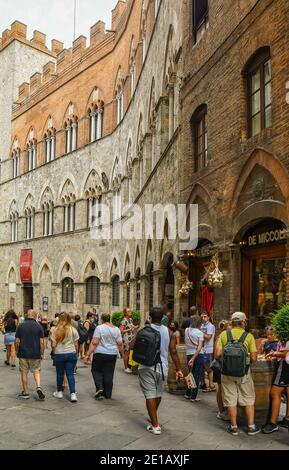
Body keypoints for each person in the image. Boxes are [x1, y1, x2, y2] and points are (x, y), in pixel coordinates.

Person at [138, 306, 184, 435]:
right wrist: (179, 369)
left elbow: (132, 346)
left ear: (150, 317)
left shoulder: (144, 329)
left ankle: (155, 424)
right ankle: (154, 419)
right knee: (157, 394)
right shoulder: (170, 332)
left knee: (150, 394)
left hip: (145, 366)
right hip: (162, 367)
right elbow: (174, 352)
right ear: (163, 317)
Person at [215, 312, 260, 436]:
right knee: (249, 398)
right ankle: (251, 427)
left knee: (230, 399)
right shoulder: (249, 336)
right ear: (243, 322)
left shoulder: (224, 335)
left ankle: (234, 427)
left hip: (227, 373)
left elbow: (217, 355)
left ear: (232, 322)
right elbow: (255, 358)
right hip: (244, 373)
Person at [84, 313, 123, 400]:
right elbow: (120, 343)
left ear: (102, 319)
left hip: (100, 353)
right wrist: (122, 353)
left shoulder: (99, 328)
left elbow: (94, 342)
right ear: (110, 319)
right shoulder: (116, 329)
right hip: (112, 354)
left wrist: (88, 354)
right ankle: (108, 393)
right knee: (109, 373)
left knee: (96, 370)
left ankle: (100, 388)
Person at [15, 309, 45, 400]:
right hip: (35, 353)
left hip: (23, 353)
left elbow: (17, 341)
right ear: (35, 316)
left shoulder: (21, 326)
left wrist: (17, 350)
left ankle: (26, 392)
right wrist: (42, 353)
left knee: (24, 372)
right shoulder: (39, 326)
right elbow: (42, 343)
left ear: (27, 315)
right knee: (36, 370)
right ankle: (38, 387)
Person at [262, 338, 289, 434]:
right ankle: (287, 419)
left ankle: (273, 423)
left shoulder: (285, 336)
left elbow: (285, 353)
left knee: (275, 393)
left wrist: (273, 354)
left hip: (285, 366)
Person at [50, 313, 79, 403]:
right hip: (71, 353)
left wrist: (55, 352)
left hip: (59, 354)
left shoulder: (55, 330)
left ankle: (59, 392)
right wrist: (76, 352)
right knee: (70, 374)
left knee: (60, 374)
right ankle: (73, 394)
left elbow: (53, 345)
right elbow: (76, 344)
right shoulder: (73, 329)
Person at [184, 315, 204, 402]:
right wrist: (194, 357)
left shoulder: (187, 330)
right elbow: (199, 348)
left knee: (190, 374)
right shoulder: (200, 333)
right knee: (196, 375)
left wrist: (191, 358)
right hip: (198, 355)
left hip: (189, 353)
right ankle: (193, 396)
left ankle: (187, 393)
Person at [215, 320, 231, 421]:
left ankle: (227, 409)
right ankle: (221, 410)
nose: (231, 326)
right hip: (220, 365)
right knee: (221, 389)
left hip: (226, 365)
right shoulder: (221, 336)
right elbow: (216, 354)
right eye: (229, 325)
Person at [200, 311, 216, 392]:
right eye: (202, 317)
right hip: (201, 350)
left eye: (205, 316)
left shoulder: (211, 326)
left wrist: (200, 332)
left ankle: (211, 385)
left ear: (208, 317)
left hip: (208, 350)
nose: (203, 318)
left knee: (208, 368)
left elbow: (208, 337)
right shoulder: (201, 325)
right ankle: (203, 384)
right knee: (202, 367)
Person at [120, 308, 137, 373]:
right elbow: (121, 331)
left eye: (130, 310)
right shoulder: (124, 321)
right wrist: (130, 329)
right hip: (126, 338)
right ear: (125, 313)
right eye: (129, 311)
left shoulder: (130, 320)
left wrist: (134, 327)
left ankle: (129, 366)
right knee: (126, 353)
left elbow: (131, 328)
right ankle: (126, 368)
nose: (130, 312)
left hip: (132, 338)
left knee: (130, 353)